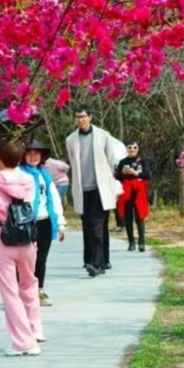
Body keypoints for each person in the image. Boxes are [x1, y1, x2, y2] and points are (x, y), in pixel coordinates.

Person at [0, 140, 43, 356]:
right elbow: (30, 205)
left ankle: (24, 343)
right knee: (29, 283)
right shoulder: (28, 178)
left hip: (1, 237)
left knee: (10, 292)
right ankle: (35, 329)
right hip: (27, 238)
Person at [65, 104, 121, 277]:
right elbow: (73, 163)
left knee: (97, 226)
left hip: (100, 188)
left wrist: (111, 184)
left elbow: (111, 160)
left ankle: (96, 264)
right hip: (83, 189)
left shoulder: (103, 136)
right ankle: (98, 260)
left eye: (83, 116)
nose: (80, 120)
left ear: (90, 117)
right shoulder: (71, 139)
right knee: (89, 226)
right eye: (77, 117)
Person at [21, 140, 66, 307]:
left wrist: (60, 223)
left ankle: (39, 290)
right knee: (25, 259)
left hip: (44, 221)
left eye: (36, 153)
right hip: (26, 222)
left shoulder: (45, 175)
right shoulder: (19, 174)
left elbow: (54, 199)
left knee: (41, 258)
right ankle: (24, 291)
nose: (33, 157)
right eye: (29, 153)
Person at [115, 140, 150, 252]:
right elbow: (117, 176)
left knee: (140, 218)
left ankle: (141, 242)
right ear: (126, 149)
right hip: (126, 193)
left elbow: (147, 175)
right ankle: (131, 242)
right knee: (128, 218)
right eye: (130, 147)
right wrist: (123, 173)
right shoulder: (122, 161)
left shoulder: (142, 161)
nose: (132, 150)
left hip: (139, 193)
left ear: (138, 149)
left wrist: (135, 173)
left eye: (135, 147)